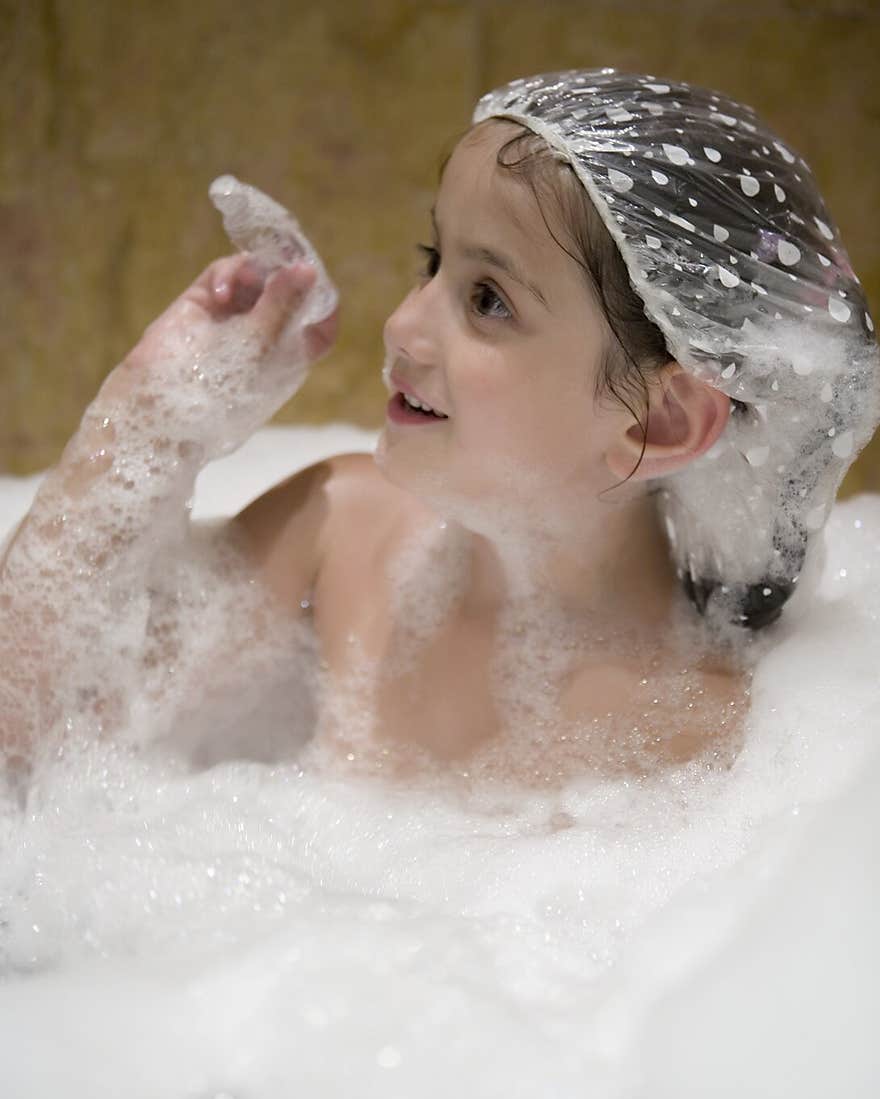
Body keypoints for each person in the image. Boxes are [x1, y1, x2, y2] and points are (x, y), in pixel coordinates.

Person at [2, 70, 878, 790]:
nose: (403, 327)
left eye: (487, 299)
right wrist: (148, 418)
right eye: (434, 262)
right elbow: (30, 736)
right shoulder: (339, 529)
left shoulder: (721, 756)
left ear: (660, 418)